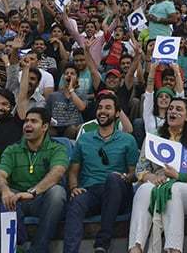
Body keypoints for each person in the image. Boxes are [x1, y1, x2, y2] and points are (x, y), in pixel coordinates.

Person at [0, 107, 69, 253]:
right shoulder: (13, 149)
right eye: (26, 121)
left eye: (33, 121)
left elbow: (57, 173)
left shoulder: (57, 148)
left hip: (41, 199)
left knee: (57, 192)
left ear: (44, 127)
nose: (27, 125)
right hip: (14, 200)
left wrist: (32, 192)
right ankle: (2, 250)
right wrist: (5, 191)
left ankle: (38, 249)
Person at [129, 98, 187, 253]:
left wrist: (178, 176)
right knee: (144, 190)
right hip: (158, 183)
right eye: (171, 108)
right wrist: (151, 178)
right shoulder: (154, 137)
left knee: (173, 190)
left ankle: (174, 250)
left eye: (179, 109)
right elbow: (140, 169)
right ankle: (135, 248)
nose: (173, 111)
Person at [64, 93, 138, 253]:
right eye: (100, 108)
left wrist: (125, 177)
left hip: (118, 191)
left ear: (117, 113)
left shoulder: (128, 140)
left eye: (108, 108)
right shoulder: (84, 139)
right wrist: (74, 187)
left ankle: (102, 244)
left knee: (112, 179)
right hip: (90, 191)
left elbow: (134, 174)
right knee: (76, 201)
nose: (103, 111)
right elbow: (73, 170)